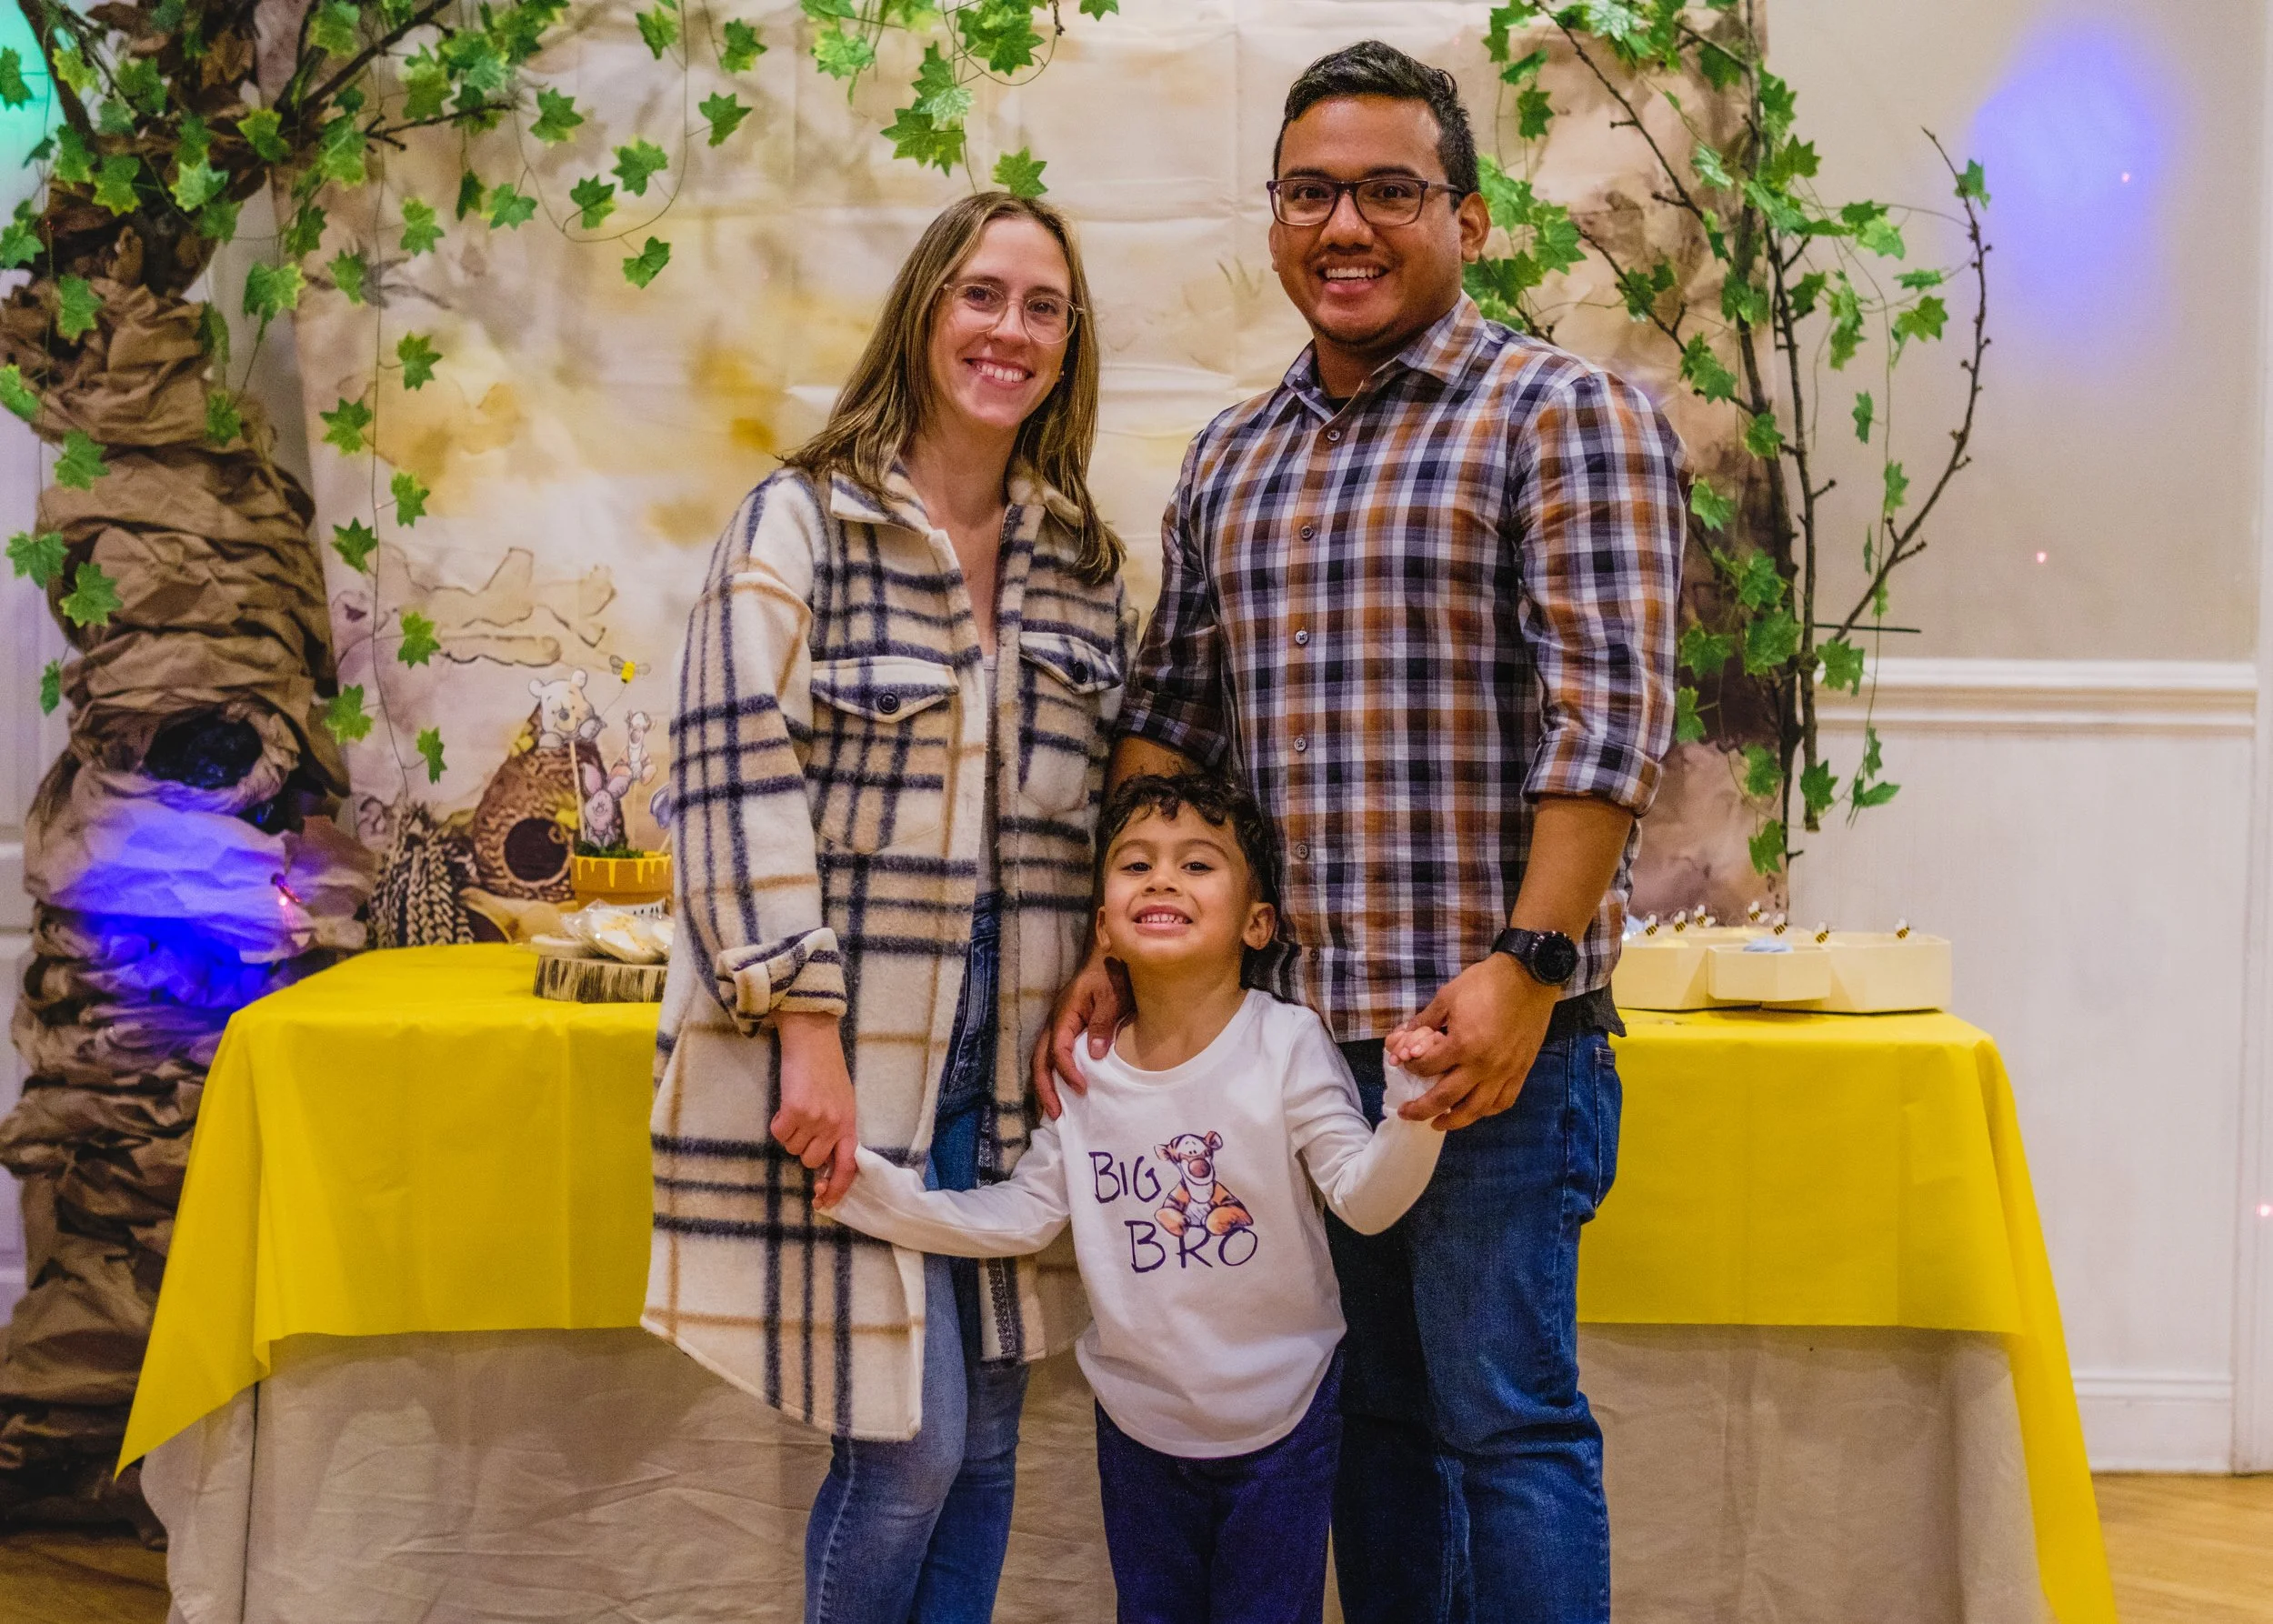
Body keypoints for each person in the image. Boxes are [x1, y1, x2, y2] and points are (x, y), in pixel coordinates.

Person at [1037, 41, 1685, 1624]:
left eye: (1391, 191)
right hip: (1297, 1052)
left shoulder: (1561, 416)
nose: (1346, 226)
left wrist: (1527, 967)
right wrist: (1121, 943)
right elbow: (1173, 723)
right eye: (1311, 193)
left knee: (1505, 1422)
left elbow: (1607, 725)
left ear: (1468, 217)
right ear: (1274, 218)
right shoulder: (1235, 455)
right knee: (1376, 1424)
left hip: (1490, 1039)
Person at [646, 191, 1131, 1624]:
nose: (1010, 330)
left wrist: (1111, 958)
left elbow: (1113, 809)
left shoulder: (1084, 566)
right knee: (909, 1442)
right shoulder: (800, 524)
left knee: (986, 1439)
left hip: (1012, 1066)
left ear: (1069, 344)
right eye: (982, 294)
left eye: (1043, 308)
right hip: (850, 1054)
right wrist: (806, 1027)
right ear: (924, 310)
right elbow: (730, 775)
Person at [826, 772, 1446, 1624]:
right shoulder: (1087, 1069)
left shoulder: (1287, 1044)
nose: (1162, 881)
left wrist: (1414, 1111)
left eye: (1197, 865)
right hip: (1137, 1424)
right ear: (1104, 927)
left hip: (1286, 1416)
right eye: (1137, 865)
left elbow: (1365, 1202)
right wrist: (876, 1196)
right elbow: (1026, 1214)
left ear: (1258, 923)